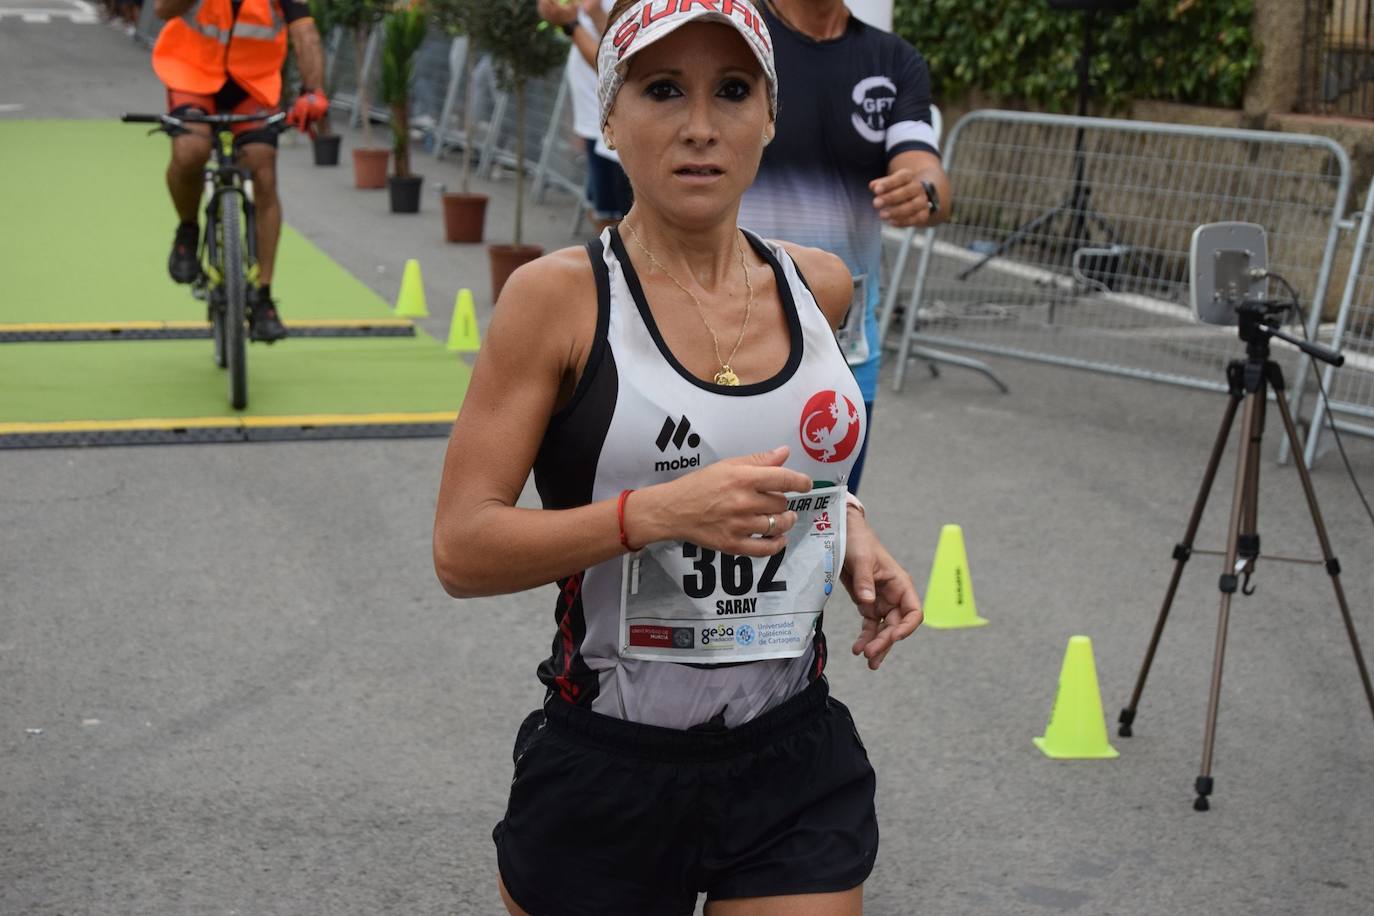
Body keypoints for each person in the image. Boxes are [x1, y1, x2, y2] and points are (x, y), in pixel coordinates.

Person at [433, 2, 922, 913]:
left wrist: (848, 523)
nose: (701, 126)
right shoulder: (558, 299)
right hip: (612, 760)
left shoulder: (821, 285)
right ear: (610, 115)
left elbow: (789, 457)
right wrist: (654, 516)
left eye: (733, 91)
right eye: (664, 90)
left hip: (788, 751)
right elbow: (462, 548)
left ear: (768, 117)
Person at [739, 0, 950, 492]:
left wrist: (925, 192)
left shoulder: (893, 60)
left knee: (825, 534)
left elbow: (925, 167)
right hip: (734, 341)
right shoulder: (739, 35)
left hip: (844, 352)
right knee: (721, 543)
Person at [150, 0, 329, 342]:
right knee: (191, 151)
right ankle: (188, 229)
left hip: (253, 83)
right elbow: (162, 10)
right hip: (192, 74)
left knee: (263, 169)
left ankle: (263, 295)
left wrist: (313, 92)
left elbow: (305, 33)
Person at [536, 0, 634, 232]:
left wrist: (573, 24)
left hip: (610, 119)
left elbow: (616, 59)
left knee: (616, 222)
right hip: (595, 119)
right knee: (604, 213)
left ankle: (614, 265)